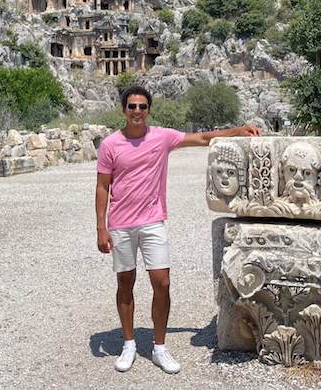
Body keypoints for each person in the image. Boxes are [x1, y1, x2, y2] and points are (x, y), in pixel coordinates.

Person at [95, 85, 260, 374]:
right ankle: (129, 343)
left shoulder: (161, 137)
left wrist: (237, 130)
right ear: (124, 110)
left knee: (162, 283)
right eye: (132, 106)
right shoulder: (110, 144)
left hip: (152, 221)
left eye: (142, 106)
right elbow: (102, 187)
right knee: (125, 283)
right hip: (120, 223)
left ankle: (159, 347)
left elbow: (203, 138)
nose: (137, 112)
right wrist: (101, 228)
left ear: (148, 110)